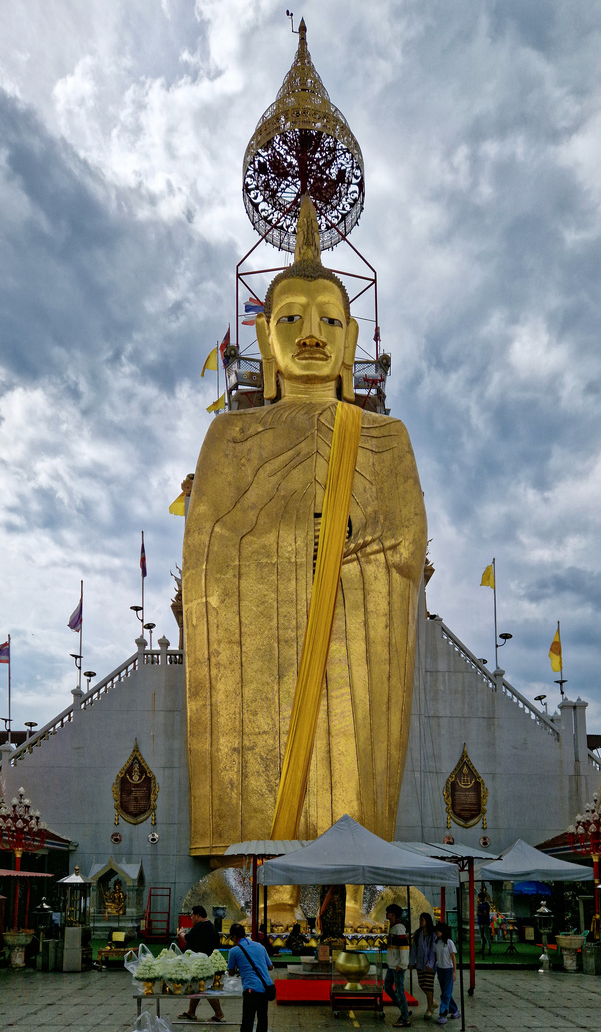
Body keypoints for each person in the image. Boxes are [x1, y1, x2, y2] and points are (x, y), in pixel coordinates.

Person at [183, 194, 426, 855]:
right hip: (262, 647)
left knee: (356, 738)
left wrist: (352, 559)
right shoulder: (228, 437)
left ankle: (355, 882)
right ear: (266, 339)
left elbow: (405, 548)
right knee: (262, 741)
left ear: (349, 341)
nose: (310, 333)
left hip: (354, 632)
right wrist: (290, 538)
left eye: (327, 320)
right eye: (289, 318)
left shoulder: (384, 435)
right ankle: (265, 875)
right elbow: (209, 550)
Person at [225, 922, 275, 1032]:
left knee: (247, 1023)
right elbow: (270, 967)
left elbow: (231, 972)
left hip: (250, 990)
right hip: (265, 989)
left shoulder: (234, 951)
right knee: (262, 1021)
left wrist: (243, 969)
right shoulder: (260, 946)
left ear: (234, 936)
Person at [177, 905, 225, 1023]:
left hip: (202, 964)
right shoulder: (210, 926)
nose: (191, 918)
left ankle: (218, 1013)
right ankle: (191, 1012)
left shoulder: (200, 927)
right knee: (198, 986)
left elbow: (187, 938)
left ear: (198, 915)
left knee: (205, 988)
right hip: (206, 961)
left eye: (192, 915)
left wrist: (181, 933)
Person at [384, 903, 411, 1028]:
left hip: (398, 965)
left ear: (393, 915)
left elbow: (404, 947)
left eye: (388, 912)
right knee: (387, 987)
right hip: (392, 964)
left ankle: (404, 1017)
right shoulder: (392, 927)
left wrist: (402, 963)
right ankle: (403, 1009)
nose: (386, 915)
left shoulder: (399, 929)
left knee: (399, 990)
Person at [409, 912, 438, 1018]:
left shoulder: (433, 934)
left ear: (427, 921)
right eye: (420, 920)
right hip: (420, 964)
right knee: (422, 984)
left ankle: (429, 1008)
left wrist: (430, 964)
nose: (420, 922)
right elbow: (414, 949)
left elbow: (433, 951)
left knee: (428, 986)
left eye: (422, 920)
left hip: (430, 965)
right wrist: (412, 962)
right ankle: (433, 1002)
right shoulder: (417, 933)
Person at [434, 922, 459, 1024]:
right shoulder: (435, 943)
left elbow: (453, 957)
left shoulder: (449, 943)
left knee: (445, 993)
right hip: (440, 969)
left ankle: (443, 1013)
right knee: (446, 992)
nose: (437, 932)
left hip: (448, 969)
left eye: (439, 930)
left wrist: (454, 972)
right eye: (436, 930)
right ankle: (455, 1009)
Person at [477, 888, 492, 958]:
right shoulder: (480, 904)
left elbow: (484, 913)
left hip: (484, 922)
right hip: (480, 922)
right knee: (481, 936)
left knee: (486, 936)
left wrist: (479, 913)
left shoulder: (485, 905)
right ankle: (482, 947)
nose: (479, 899)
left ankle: (489, 948)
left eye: (480, 897)